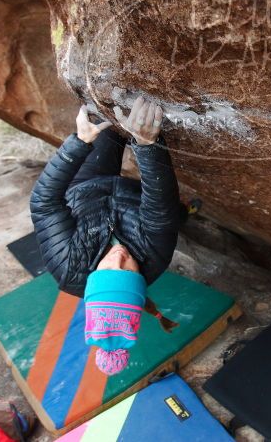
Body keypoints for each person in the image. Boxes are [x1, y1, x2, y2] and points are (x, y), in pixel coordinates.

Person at [30, 97, 183, 374]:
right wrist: (146, 147)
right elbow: (159, 208)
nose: (119, 257)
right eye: (128, 270)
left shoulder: (67, 265)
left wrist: (78, 144)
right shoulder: (156, 257)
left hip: (85, 190)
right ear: (141, 282)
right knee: (141, 127)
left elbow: (44, 204)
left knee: (106, 113)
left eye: (108, 269)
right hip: (133, 198)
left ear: (92, 279)